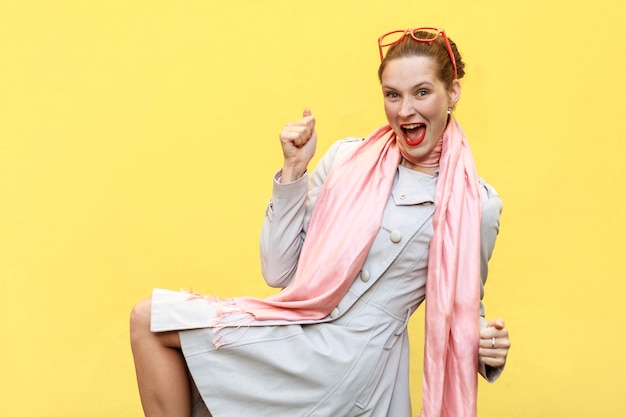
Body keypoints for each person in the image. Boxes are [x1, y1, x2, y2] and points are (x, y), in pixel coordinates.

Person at [130, 27, 511, 417]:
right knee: (149, 320)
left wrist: (488, 348)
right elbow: (279, 270)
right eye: (392, 94)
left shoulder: (476, 204)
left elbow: (465, 301)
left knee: (151, 322)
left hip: (358, 367)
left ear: (453, 93)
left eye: (422, 92)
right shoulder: (346, 159)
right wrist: (294, 170)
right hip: (296, 332)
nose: (404, 110)